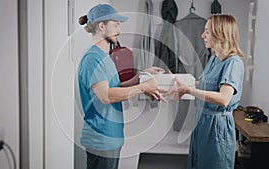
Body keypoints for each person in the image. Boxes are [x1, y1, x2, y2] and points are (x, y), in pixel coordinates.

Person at [77, 4, 165, 169]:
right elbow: (106, 96)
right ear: (102, 26)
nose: (120, 30)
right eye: (116, 25)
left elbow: (116, 85)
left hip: (112, 138)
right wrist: (143, 88)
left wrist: (141, 76)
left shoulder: (105, 57)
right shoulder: (92, 59)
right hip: (101, 141)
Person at [167, 14, 244, 169]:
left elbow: (223, 98)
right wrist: (177, 81)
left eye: (207, 31)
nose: (202, 35)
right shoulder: (214, 59)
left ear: (220, 33)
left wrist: (188, 90)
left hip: (217, 127)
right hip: (202, 123)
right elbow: (204, 85)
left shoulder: (233, 63)